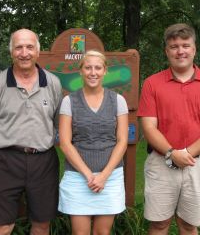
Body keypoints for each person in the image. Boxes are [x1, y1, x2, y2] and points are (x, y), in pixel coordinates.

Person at [0, 28, 62, 235]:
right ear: (11, 52)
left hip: (43, 162)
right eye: (19, 47)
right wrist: (9, 150)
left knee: (42, 224)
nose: (24, 52)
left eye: (29, 47)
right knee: (2, 225)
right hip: (5, 163)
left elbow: (59, 124)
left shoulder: (52, 83)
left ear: (38, 51)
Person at [137, 23, 200, 234]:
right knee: (159, 224)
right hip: (161, 162)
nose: (180, 51)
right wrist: (172, 153)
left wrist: (187, 154)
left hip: (197, 164)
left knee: (189, 225)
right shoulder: (152, 83)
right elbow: (148, 127)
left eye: (185, 45)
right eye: (174, 46)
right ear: (166, 51)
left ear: (194, 48)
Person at [58, 50, 129, 235]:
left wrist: (103, 176)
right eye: (88, 67)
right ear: (80, 71)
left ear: (105, 71)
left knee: (102, 233)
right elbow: (65, 143)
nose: (93, 72)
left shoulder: (118, 101)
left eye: (98, 68)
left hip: (110, 177)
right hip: (78, 177)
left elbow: (122, 141)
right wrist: (89, 175)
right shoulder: (69, 101)